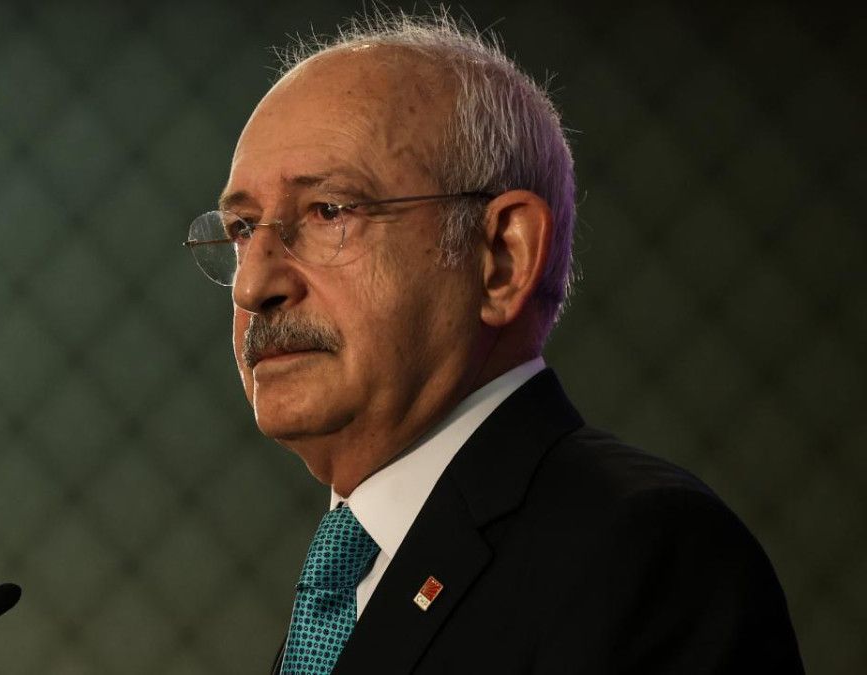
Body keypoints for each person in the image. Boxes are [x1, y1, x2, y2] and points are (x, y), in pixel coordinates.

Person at [183, 10, 803, 674]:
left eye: (329, 211)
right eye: (243, 229)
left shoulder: (646, 554)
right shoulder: (352, 576)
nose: (254, 285)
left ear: (503, 256)